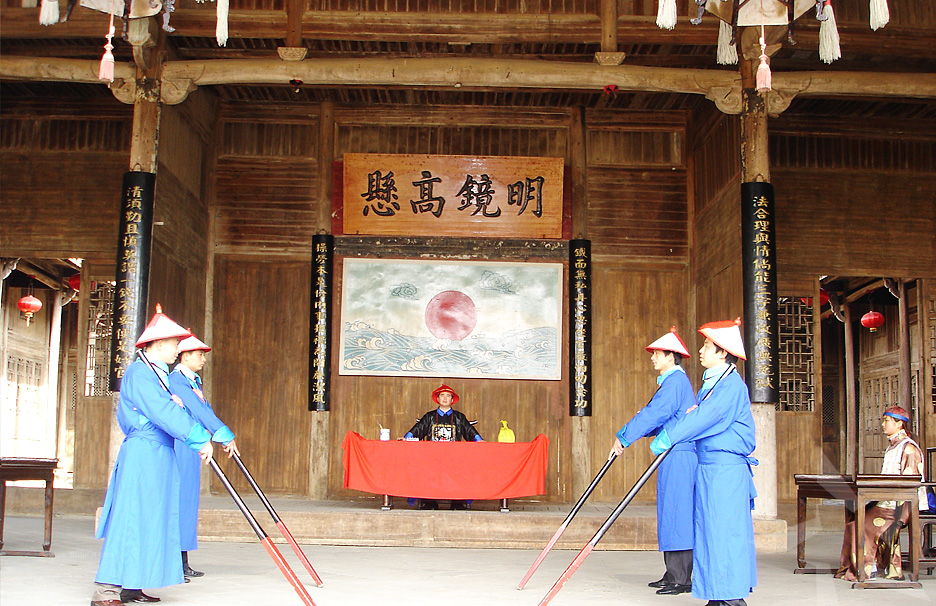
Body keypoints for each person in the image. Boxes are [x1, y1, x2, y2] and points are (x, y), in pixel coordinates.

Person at [91, 307, 214, 606]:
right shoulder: (140, 372)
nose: (178, 349)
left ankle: (132, 584)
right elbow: (164, 411)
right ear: (159, 344)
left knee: (151, 517)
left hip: (158, 453)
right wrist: (198, 437)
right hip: (144, 453)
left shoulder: (157, 374)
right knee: (131, 517)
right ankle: (105, 591)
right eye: (175, 344)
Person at [650, 318, 757, 606]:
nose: (701, 350)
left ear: (723, 352)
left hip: (725, 470)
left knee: (724, 534)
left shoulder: (730, 386)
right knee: (708, 532)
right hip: (709, 468)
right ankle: (716, 594)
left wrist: (669, 436)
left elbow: (703, 418)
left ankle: (731, 597)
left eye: (707, 346)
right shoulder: (714, 384)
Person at [613, 327, 697, 596]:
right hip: (671, 453)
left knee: (678, 514)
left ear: (671, 357)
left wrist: (625, 436)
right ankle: (673, 572)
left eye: (657, 354)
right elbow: (657, 417)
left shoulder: (675, 382)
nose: (653, 358)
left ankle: (682, 578)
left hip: (680, 453)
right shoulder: (671, 382)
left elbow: (656, 414)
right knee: (670, 513)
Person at [169, 334, 240, 580]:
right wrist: (222, 433)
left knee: (188, 502)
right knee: (179, 502)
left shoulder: (192, 381)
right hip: (181, 445)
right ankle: (174, 561)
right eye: (199, 355)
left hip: (193, 446)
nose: (203, 360)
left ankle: (183, 560)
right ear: (185, 356)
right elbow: (198, 411)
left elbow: (203, 411)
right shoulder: (176, 380)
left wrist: (217, 435)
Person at [835, 405, 926, 581]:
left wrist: (901, 516)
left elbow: (910, 485)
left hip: (897, 507)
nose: (883, 425)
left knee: (861, 525)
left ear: (899, 424)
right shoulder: (893, 446)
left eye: (887, 421)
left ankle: (868, 568)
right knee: (853, 521)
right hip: (886, 503)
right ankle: (860, 566)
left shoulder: (908, 448)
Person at [404, 384, 482, 510]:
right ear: (438, 399)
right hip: (432, 457)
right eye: (442, 396)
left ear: (452, 400)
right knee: (424, 470)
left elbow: (469, 431)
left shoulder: (459, 417)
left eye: (448, 396)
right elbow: (418, 430)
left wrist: (479, 440)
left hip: (454, 457)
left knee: (463, 471)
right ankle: (428, 501)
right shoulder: (429, 416)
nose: (445, 398)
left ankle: (458, 501)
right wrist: (407, 437)